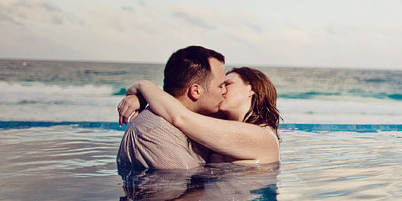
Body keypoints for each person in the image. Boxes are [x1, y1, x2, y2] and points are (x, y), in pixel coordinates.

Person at [119, 66, 281, 165]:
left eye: (228, 84)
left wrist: (143, 86)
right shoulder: (220, 124)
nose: (221, 90)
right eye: (219, 86)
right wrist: (139, 98)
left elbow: (180, 117)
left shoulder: (261, 136)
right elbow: (181, 103)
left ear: (251, 88)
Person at [117, 45, 226, 171]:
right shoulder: (155, 132)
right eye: (221, 85)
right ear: (195, 91)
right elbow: (186, 185)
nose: (225, 91)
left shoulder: (202, 117)